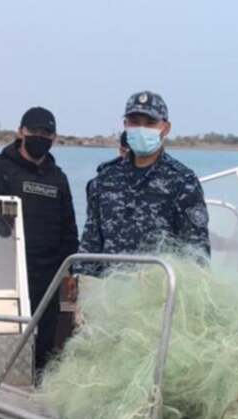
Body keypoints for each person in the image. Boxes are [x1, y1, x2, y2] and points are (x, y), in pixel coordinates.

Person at [0, 106, 78, 377]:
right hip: (5, 270)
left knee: (44, 342)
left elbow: (68, 229)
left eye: (46, 133)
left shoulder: (58, 178)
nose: (40, 137)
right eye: (34, 131)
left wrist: (69, 272)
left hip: (47, 275)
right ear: (20, 132)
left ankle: (37, 390)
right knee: (7, 335)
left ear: (54, 138)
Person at [71, 91, 210, 284]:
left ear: (165, 128)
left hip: (158, 300)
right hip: (106, 298)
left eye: (150, 123)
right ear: (125, 125)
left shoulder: (182, 181)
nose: (141, 128)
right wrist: (82, 286)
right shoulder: (105, 179)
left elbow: (197, 253)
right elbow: (90, 243)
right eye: (135, 122)